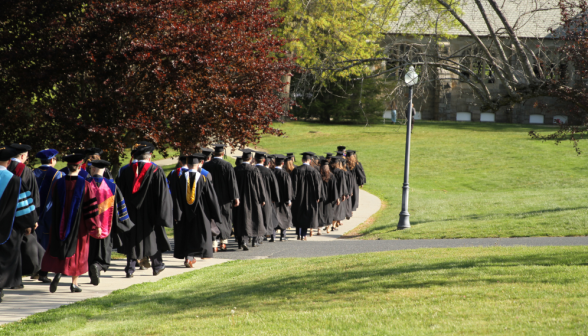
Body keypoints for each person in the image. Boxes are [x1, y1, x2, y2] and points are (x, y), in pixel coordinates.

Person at [40, 153, 98, 293]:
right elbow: (91, 208)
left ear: (67, 166)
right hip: (79, 226)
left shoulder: (58, 183)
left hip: (59, 222)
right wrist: (94, 225)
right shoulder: (85, 185)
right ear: (79, 167)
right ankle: (74, 284)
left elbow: (53, 200)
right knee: (78, 253)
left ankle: (57, 275)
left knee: (60, 248)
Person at [116, 142, 173, 278]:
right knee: (152, 237)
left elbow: (118, 193)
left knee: (132, 237)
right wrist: (163, 213)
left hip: (129, 212)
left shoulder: (124, 170)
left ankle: (130, 268)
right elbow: (162, 194)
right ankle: (157, 266)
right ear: (150, 156)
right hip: (150, 212)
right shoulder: (156, 170)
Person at [86, 160, 135, 286]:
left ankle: (92, 271)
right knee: (104, 251)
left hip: (88, 225)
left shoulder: (85, 184)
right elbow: (120, 207)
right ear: (104, 171)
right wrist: (124, 222)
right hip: (106, 225)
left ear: (92, 169)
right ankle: (98, 266)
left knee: (90, 250)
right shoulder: (112, 186)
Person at [0, 146, 38, 302]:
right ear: (9, 161)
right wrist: (29, 223)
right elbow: (22, 205)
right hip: (8, 227)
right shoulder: (14, 180)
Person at [173, 155, 221, 265]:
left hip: (184, 213)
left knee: (186, 234)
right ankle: (197, 254)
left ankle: (188, 257)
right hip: (202, 213)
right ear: (199, 165)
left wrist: (177, 214)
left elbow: (176, 199)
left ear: (187, 165)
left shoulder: (180, 179)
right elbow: (211, 199)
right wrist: (215, 214)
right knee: (200, 234)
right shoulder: (204, 179)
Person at [7, 144, 42, 282]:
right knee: (23, 246)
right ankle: (22, 276)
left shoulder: (4, 168)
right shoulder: (25, 171)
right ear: (22, 156)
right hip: (22, 214)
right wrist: (33, 219)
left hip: (5, 215)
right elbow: (32, 196)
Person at [33, 149, 65, 283]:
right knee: (46, 242)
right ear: (52, 160)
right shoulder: (58, 175)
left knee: (34, 241)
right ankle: (43, 272)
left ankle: (33, 270)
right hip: (50, 213)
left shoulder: (32, 172)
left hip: (33, 212)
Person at [202, 144, 239, 252]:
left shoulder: (206, 165)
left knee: (212, 219)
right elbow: (232, 183)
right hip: (225, 198)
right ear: (223, 153)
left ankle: (214, 243)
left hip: (210, 196)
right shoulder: (227, 165)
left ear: (213, 153)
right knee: (225, 218)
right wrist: (235, 197)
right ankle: (223, 242)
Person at [233, 149, 266, 250]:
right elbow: (259, 185)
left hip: (239, 198)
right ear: (251, 158)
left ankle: (241, 241)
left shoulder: (236, 169)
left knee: (240, 219)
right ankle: (255, 240)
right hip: (253, 198)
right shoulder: (254, 169)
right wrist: (262, 198)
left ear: (242, 158)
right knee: (254, 218)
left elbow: (232, 185)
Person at [291, 152, 323, 241]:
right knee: (307, 215)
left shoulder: (296, 170)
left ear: (302, 160)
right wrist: (318, 196)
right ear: (310, 160)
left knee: (298, 214)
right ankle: (304, 234)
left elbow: (292, 185)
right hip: (310, 198)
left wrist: (292, 197)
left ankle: (299, 233)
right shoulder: (314, 171)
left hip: (298, 197)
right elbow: (318, 185)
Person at [254, 152, 279, 243]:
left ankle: (256, 235)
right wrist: (274, 198)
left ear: (254, 159)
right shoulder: (268, 172)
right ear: (264, 160)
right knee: (266, 216)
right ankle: (263, 234)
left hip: (254, 198)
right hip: (267, 198)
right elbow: (274, 186)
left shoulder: (252, 170)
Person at [272, 155, 292, 241]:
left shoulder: (271, 172)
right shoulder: (285, 174)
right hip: (283, 199)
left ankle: (273, 236)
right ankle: (282, 236)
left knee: (273, 216)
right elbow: (288, 188)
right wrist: (288, 199)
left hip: (272, 199)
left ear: (274, 162)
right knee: (283, 216)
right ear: (283, 163)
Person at [318, 159, 340, 235]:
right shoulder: (331, 176)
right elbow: (334, 189)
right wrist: (336, 198)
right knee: (328, 213)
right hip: (329, 199)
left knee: (320, 213)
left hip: (320, 198)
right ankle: (328, 227)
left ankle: (319, 229)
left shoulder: (318, 175)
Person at [329, 157, 348, 231]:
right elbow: (342, 184)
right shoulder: (341, 172)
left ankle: (329, 224)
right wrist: (343, 194)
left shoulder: (329, 171)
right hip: (338, 192)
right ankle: (333, 226)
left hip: (329, 192)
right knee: (336, 209)